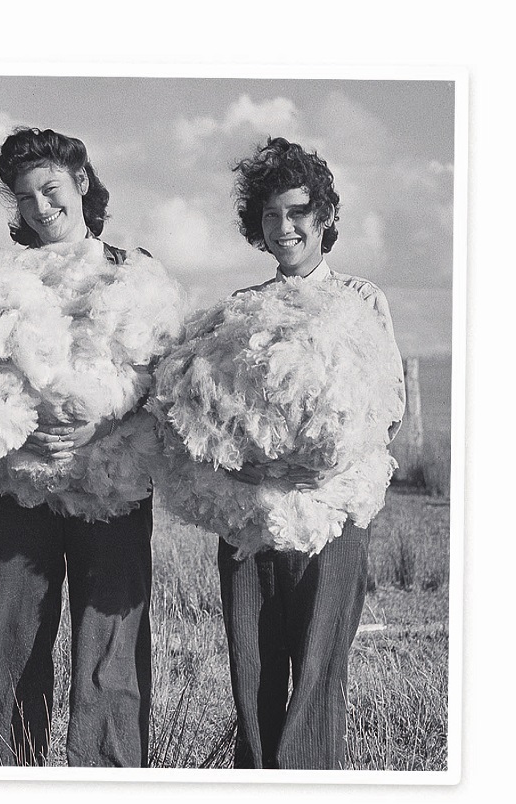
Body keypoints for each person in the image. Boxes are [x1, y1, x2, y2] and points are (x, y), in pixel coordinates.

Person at [0, 128, 155, 767]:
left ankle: (108, 776)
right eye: (25, 198)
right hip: (24, 487)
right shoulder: (0, 280)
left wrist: (98, 418)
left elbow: (154, 369)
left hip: (112, 488)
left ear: (81, 184)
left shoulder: (132, 271)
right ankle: (2, 774)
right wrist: (11, 421)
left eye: (51, 190)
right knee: (12, 640)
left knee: (109, 646)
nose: (41, 208)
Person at [213, 137, 397, 769]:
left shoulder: (362, 301)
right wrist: (247, 462)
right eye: (269, 215)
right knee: (252, 667)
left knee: (319, 671)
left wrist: (320, 464)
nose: (283, 227)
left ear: (324, 218)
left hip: (333, 517)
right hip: (251, 518)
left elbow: (387, 408)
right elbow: (200, 417)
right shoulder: (239, 309)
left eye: (296, 212)